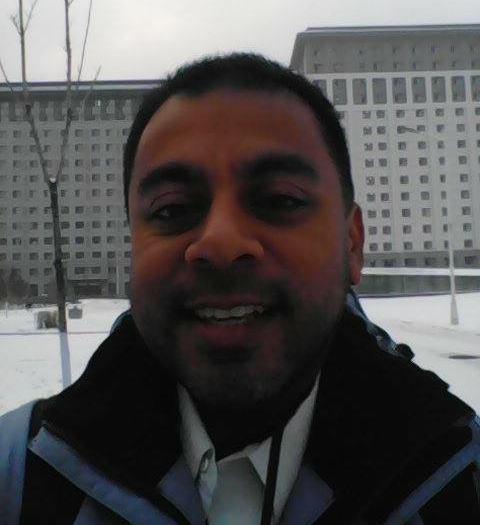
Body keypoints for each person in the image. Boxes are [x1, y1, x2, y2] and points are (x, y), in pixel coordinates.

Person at [1, 54, 479, 524]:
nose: (221, 243)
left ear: (352, 243)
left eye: (280, 200)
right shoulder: (19, 479)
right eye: (171, 210)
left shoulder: (460, 481)